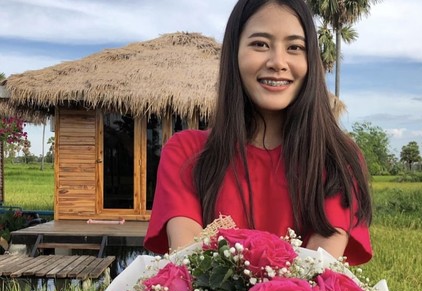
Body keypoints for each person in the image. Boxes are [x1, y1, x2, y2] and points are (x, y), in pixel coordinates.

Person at [145, 0, 373, 268]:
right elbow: (191, 265)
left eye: (294, 47)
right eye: (260, 44)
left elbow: (317, 271)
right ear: (234, 53)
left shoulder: (338, 160)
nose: (278, 62)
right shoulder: (185, 153)